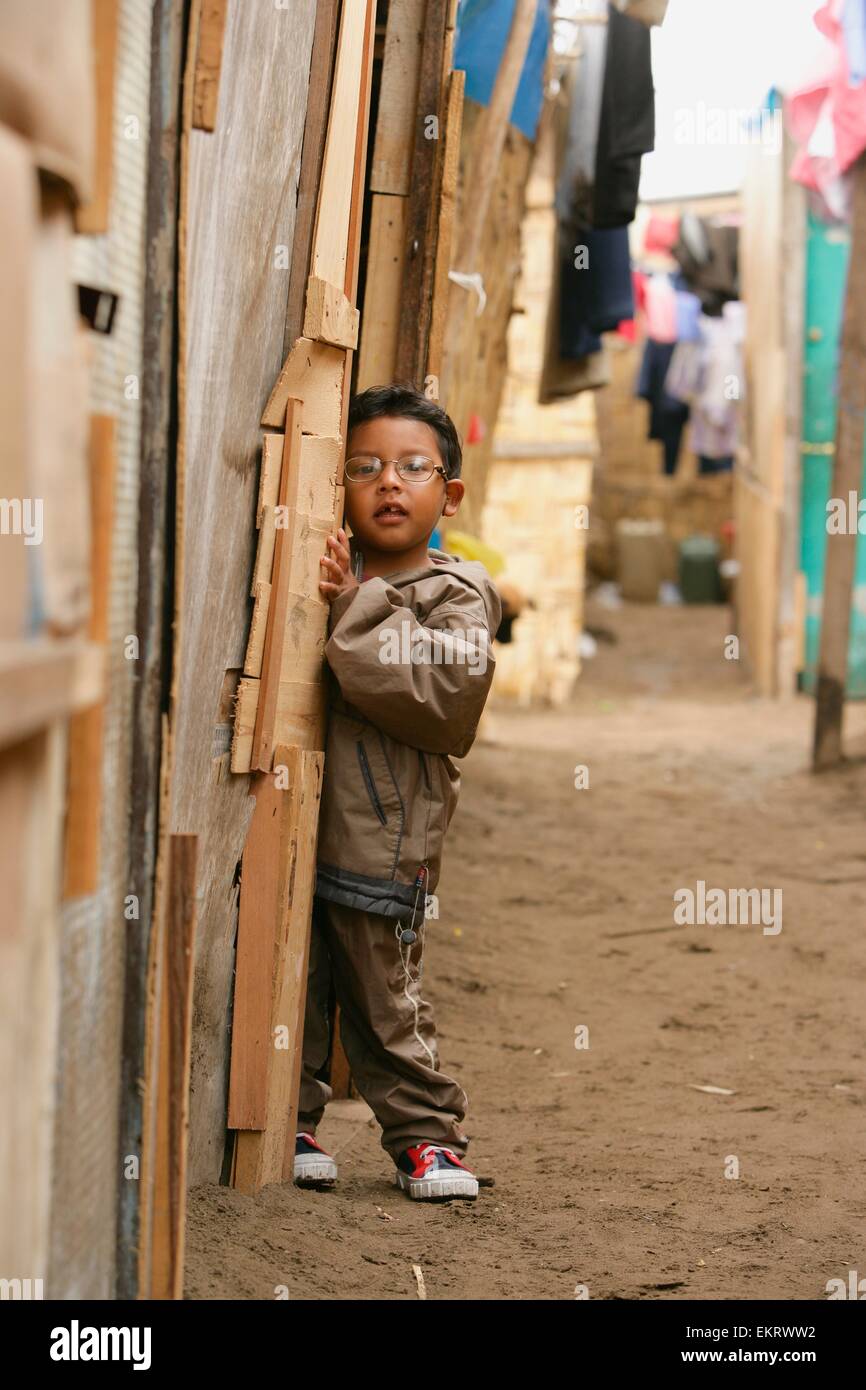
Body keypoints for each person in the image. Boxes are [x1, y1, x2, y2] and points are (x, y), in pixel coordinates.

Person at [293, 384, 502, 1202]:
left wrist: (355, 603)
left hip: (387, 842)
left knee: (385, 998)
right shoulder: (330, 575)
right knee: (297, 984)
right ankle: (295, 1123)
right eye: (366, 466)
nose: (389, 482)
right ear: (335, 485)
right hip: (303, 824)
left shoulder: (458, 595)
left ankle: (428, 1137)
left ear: (448, 493)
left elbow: (440, 698)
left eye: (414, 468)